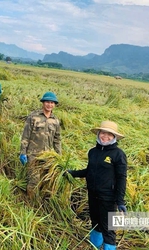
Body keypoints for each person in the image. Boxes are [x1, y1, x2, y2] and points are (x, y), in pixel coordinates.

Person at [67, 121, 127, 250]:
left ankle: (109, 247)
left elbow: (122, 178)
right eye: (103, 133)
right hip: (93, 194)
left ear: (114, 137)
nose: (105, 136)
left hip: (108, 198)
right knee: (95, 223)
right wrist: (72, 173)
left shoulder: (118, 154)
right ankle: (95, 246)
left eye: (110, 134)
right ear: (99, 133)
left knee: (108, 228)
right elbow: (89, 171)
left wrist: (120, 201)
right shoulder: (93, 152)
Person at [19, 91, 62, 199]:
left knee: (45, 180)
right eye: (47, 102)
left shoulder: (55, 121)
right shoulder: (33, 117)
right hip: (33, 154)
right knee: (33, 180)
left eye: (52, 103)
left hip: (47, 155)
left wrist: (59, 156)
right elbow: (25, 136)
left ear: (55, 105)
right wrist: (23, 152)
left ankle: (42, 202)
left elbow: (57, 140)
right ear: (43, 103)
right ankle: (31, 203)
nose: (49, 105)